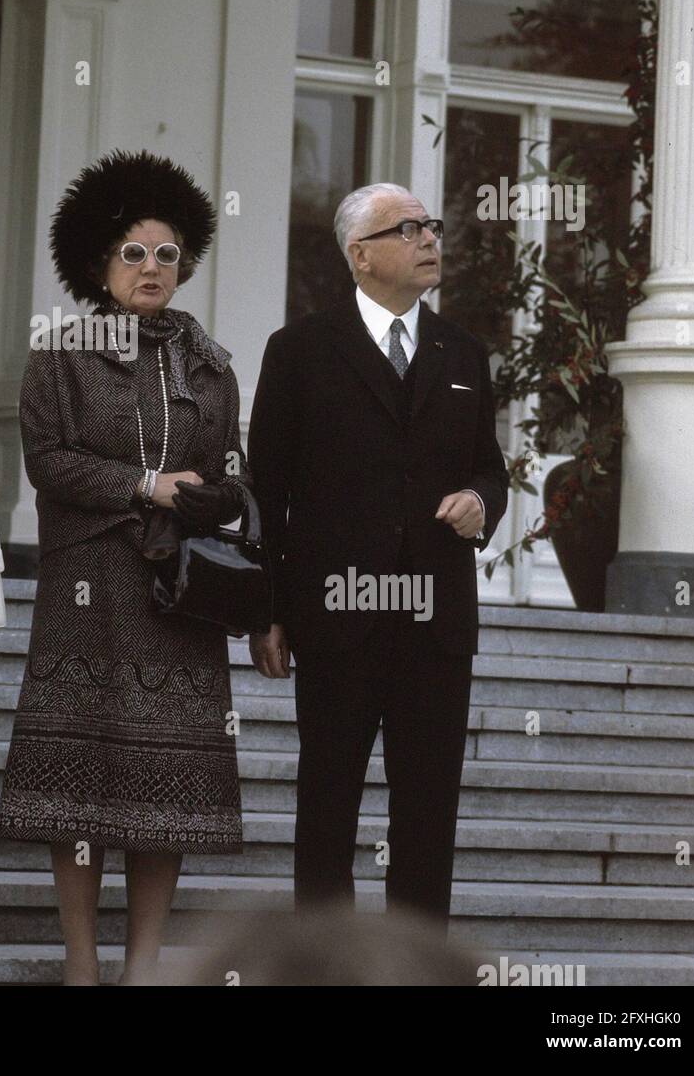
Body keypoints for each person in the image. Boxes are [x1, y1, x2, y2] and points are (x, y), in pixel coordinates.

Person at [0, 150, 248, 986]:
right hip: (86, 588)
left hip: (179, 598)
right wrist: (144, 485)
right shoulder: (61, 355)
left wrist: (208, 498)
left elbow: (234, 478)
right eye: (134, 253)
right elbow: (48, 463)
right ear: (99, 264)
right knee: (81, 788)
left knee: (163, 789)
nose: (151, 269)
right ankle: (80, 965)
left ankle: (142, 968)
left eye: (167, 254)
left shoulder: (213, 366)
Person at [248, 182, 508, 928]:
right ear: (359, 255)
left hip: (435, 623)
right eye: (409, 229)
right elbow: (268, 488)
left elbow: (489, 465)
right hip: (335, 617)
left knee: (427, 814)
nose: (429, 239)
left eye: (431, 226)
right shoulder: (298, 350)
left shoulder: (462, 352)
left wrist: (480, 503)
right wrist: (269, 612)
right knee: (326, 808)